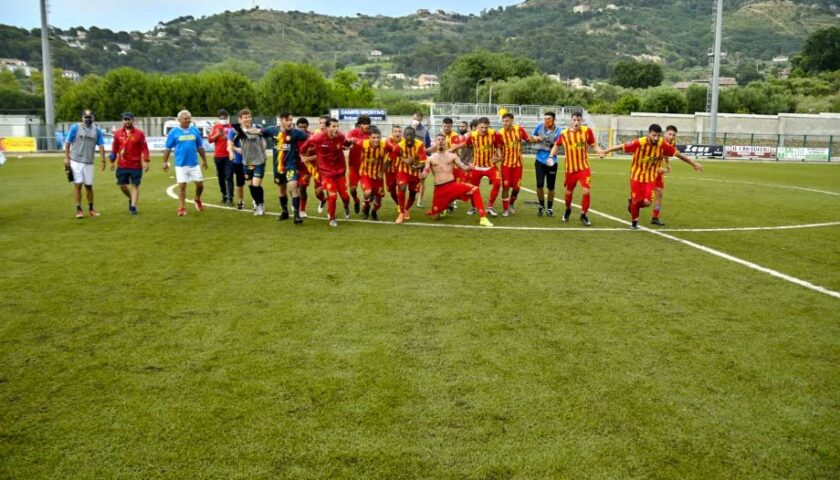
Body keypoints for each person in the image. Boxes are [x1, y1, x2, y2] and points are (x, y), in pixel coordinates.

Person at [601, 124, 703, 229]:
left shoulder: (662, 144)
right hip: (636, 176)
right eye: (654, 135)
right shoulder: (640, 142)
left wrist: (694, 164)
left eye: (658, 136)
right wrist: (604, 151)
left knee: (647, 202)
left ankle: (635, 205)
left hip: (650, 177)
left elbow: (679, 155)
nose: (656, 138)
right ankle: (634, 223)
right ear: (649, 134)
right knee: (637, 200)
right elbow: (621, 146)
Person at [422, 134, 493, 228]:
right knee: (434, 217)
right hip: (439, 190)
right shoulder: (430, 158)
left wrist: (470, 167)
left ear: (445, 142)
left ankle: (483, 218)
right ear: (435, 142)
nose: (441, 141)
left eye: (443, 139)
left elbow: (463, 167)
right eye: (438, 139)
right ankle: (438, 209)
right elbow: (426, 170)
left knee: (475, 189)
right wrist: (422, 174)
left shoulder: (452, 156)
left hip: (452, 186)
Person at [548, 111, 605, 226]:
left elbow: (593, 145)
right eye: (574, 120)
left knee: (586, 191)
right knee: (569, 192)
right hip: (570, 169)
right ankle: (568, 209)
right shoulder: (564, 133)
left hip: (584, 167)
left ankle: (583, 215)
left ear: (581, 121)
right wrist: (550, 156)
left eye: (579, 120)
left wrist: (600, 152)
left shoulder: (587, 131)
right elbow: (556, 145)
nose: (576, 122)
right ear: (571, 120)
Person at [299, 118, 351, 227]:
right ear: (327, 128)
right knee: (332, 196)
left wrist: (350, 143)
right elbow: (306, 145)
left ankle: (346, 206)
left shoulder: (340, 136)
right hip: (326, 172)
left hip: (340, 172)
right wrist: (303, 153)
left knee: (345, 197)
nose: (336, 128)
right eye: (333, 126)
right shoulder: (318, 138)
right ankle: (332, 218)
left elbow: (346, 143)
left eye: (337, 126)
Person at [259, 112, 309, 224]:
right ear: (281, 120)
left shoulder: (296, 133)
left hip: (291, 165)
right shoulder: (272, 130)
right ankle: (285, 212)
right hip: (278, 167)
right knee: (282, 189)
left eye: (291, 120)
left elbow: (311, 138)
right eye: (287, 120)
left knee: (293, 186)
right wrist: (244, 130)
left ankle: (296, 215)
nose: (290, 122)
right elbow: (258, 132)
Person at [449, 117, 502, 217]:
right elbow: (466, 144)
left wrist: (499, 157)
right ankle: (473, 207)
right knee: (473, 187)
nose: (483, 130)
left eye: (486, 127)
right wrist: (455, 148)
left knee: (498, 182)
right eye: (481, 127)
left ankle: (490, 207)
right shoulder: (472, 135)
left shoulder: (494, 134)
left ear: (488, 126)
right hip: (476, 167)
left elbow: (498, 147)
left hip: (490, 166)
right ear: (477, 127)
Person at [163, 110, 208, 216]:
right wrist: (164, 161)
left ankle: (197, 199)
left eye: (189, 118)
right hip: (180, 164)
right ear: (180, 120)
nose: (188, 120)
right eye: (185, 119)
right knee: (182, 186)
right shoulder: (174, 132)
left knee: (200, 185)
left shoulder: (195, 130)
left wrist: (204, 160)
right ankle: (182, 207)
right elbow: (168, 148)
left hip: (194, 163)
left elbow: (200, 147)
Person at [64, 109, 106, 218]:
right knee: (77, 185)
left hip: (89, 162)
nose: (88, 119)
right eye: (85, 117)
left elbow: (101, 146)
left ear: (93, 118)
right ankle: (78, 209)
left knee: (89, 186)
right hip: (76, 161)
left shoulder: (97, 130)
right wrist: (66, 158)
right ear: (82, 118)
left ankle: (91, 209)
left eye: (90, 117)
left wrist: (103, 160)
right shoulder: (75, 127)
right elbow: (67, 143)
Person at [109, 112, 150, 215]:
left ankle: (133, 206)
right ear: (122, 120)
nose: (127, 121)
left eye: (129, 119)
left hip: (136, 165)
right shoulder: (117, 134)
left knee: (135, 185)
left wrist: (146, 160)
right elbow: (114, 149)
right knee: (122, 185)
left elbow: (144, 148)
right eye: (125, 119)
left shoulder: (139, 134)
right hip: (122, 165)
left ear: (133, 120)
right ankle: (131, 198)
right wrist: (112, 162)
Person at [230, 109, 268, 216]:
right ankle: (258, 203)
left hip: (259, 162)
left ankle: (260, 205)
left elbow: (264, 143)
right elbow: (240, 149)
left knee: (256, 185)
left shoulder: (256, 131)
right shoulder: (238, 133)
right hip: (246, 163)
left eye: (249, 116)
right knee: (251, 186)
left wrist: (262, 151)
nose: (248, 119)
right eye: (245, 117)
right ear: (240, 120)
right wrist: (234, 149)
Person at [498, 112, 536, 217]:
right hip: (506, 164)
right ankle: (505, 209)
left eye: (507, 121)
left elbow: (528, 139)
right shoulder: (500, 134)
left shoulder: (519, 130)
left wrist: (536, 139)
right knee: (505, 187)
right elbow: (497, 147)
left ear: (512, 121)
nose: (505, 123)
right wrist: (498, 155)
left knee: (516, 188)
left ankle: (511, 203)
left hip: (518, 164)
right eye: (503, 121)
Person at [390, 126, 428, 224]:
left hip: (415, 173)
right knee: (402, 187)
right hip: (403, 171)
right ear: (404, 136)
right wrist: (403, 159)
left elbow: (423, 162)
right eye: (407, 135)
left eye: (411, 135)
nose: (409, 137)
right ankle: (401, 212)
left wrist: (418, 166)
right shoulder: (399, 146)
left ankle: (406, 209)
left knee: (412, 194)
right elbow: (393, 155)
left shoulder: (420, 145)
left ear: (414, 136)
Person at [353, 127, 391, 221]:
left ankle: (374, 211)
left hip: (378, 175)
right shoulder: (363, 143)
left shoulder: (385, 145)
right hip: (365, 173)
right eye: (373, 137)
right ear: (369, 137)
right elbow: (352, 141)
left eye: (378, 137)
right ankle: (366, 207)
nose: (376, 140)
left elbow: (394, 152)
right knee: (368, 192)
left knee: (378, 200)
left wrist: (382, 171)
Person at [532, 111, 562, 216]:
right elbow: (532, 137)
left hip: (552, 161)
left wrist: (552, 147)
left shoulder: (559, 131)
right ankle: (541, 205)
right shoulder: (539, 127)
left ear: (554, 120)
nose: (546, 121)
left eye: (548, 118)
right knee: (539, 184)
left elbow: (558, 145)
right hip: (540, 160)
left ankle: (549, 208)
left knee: (551, 186)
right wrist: (537, 138)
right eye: (544, 118)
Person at [295, 117, 323, 218]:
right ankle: (295, 203)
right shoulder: (293, 136)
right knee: (293, 187)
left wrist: (308, 156)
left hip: (308, 167)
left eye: (304, 126)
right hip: (294, 166)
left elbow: (319, 152)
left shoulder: (312, 137)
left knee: (302, 188)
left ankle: (302, 209)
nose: (302, 129)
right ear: (296, 127)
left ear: (307, 126)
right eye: (300, 127)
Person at [651, 125, 678, 226]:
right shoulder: (658, 142)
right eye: (669, 134)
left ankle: (655, 217)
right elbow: (650, 157)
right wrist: (658, 168)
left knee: (660, 193)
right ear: (665, 134)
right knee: (646, 199)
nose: (671, 136)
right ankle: (634, 201)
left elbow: (666, 153)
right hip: (649, 169)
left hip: (658, 169)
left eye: (673, 135)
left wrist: (667, 164)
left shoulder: (672, 142)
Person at [208, 109, 234, 205]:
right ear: (219, 118)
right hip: (218, 156)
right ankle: (224, 195)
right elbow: (210, 140)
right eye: (221, 117)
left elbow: (235, 139)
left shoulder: (231, 127)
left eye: (225, 117)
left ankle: (230, 198)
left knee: (229, 176)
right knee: (221, 177)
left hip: (229, 155)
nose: (223, 119)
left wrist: (226, 136)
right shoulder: (216, 127)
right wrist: (217, 134)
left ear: (227, 117)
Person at [346, 115, 372, 214]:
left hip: (366, 167)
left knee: (368, 190)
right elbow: (347, 141)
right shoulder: (353, 132)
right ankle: (356, 200)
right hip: (353, 165)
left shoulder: (371, 134)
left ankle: (365, 205)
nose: (366, 126)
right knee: (352, 189)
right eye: (364, 123)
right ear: (360, 124)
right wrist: (349, 142)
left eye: (368, 124)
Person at [406, 111, 432, 207]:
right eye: (414, 118)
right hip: (410, 157)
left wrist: (428, 155)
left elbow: (428, 143)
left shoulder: (425, 130)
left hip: (421, 157)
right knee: (409, 179)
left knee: (422, 179)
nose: (416, 120)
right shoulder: (408, 128)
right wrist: (412, 128)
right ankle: (410, 197)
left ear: (421, 119)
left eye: (418, 118)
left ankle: (419, 201)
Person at [226, 123, 247, 210]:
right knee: (240, 182)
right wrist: (233, 150)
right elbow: (229, 144)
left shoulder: (251, 130)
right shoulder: (232, 131)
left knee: (253, 182)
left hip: (251, 160)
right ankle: (240, 201)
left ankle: (255, 201)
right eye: (244, 118)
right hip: (238, 161)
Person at [384, 125, 403, 207]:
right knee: (391, 191)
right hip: (389, 171)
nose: (397, 133)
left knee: (401, 187)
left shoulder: (404, 141)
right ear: (392, 133)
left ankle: (402, 207)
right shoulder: (388, 141)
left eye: (399, 131)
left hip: (400, 170)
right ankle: (398, 204)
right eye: (395, 131)